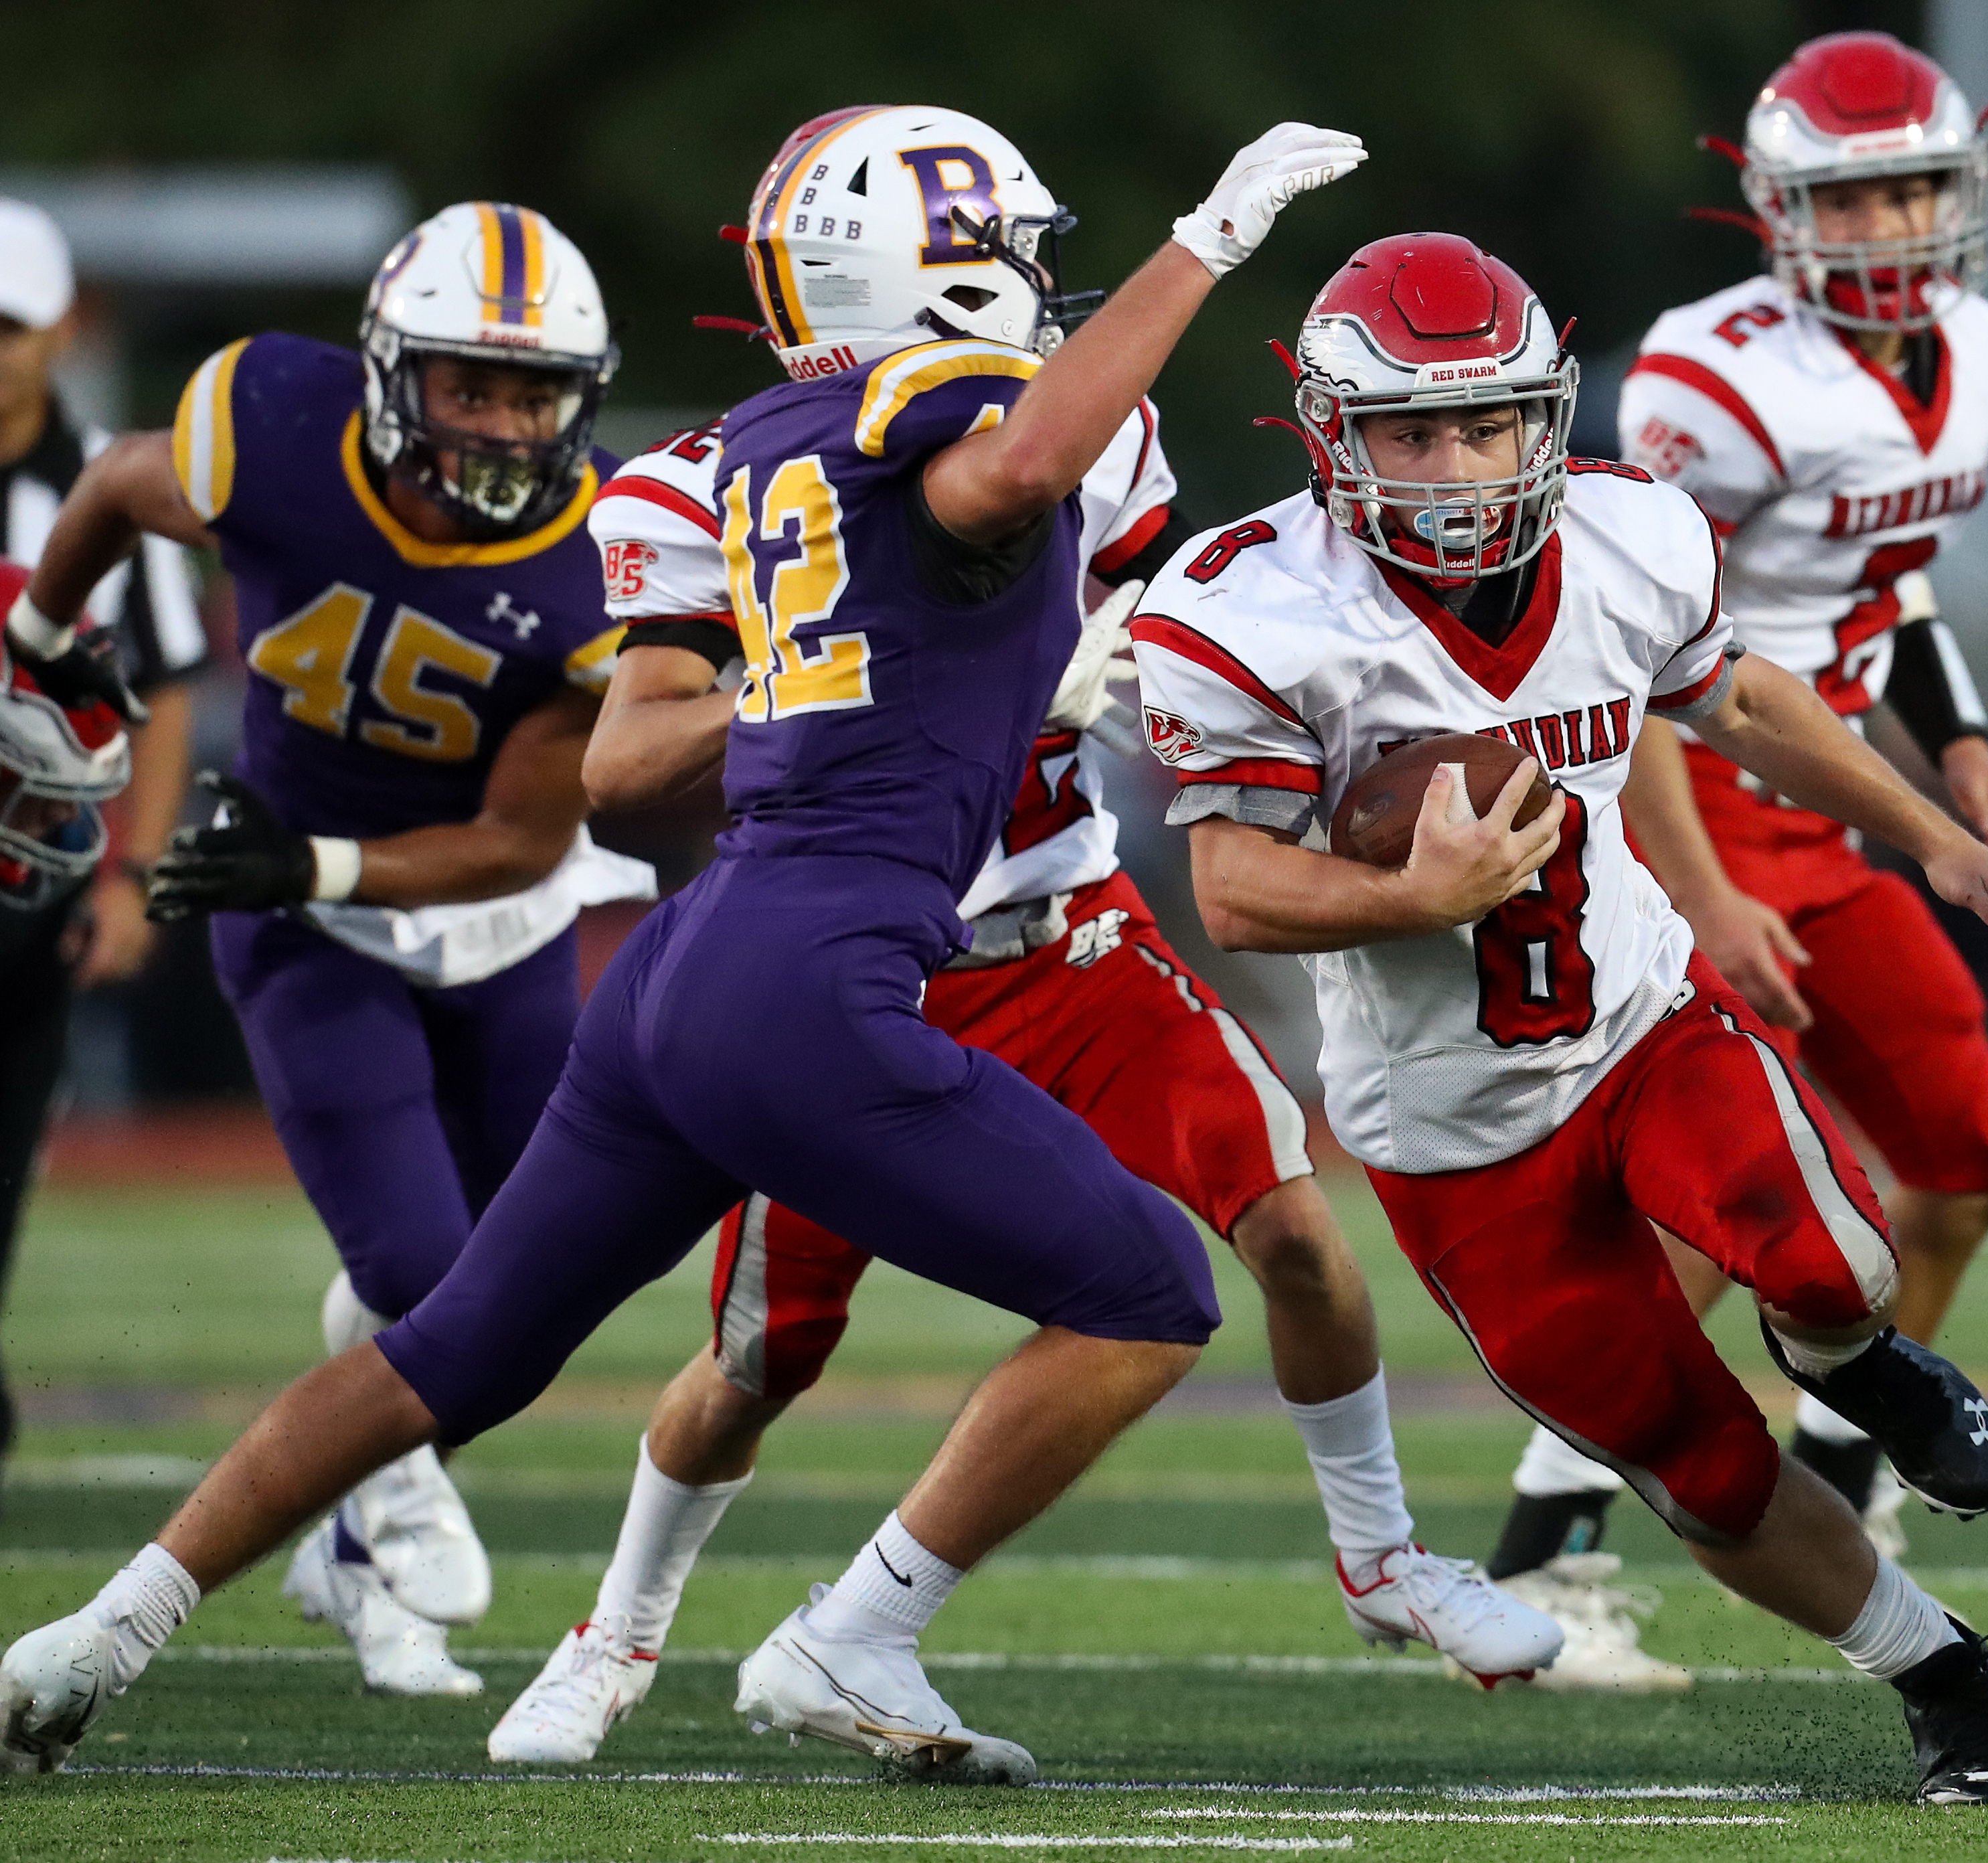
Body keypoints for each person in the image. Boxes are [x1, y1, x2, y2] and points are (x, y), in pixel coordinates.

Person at [0, 108, 1364, 1785]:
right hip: (819, 968)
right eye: (1009, 252)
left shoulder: (778, 435)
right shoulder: (962, 412)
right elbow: (1014, 468)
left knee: (458, 1353)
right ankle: (850, 1636)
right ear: (928, 279)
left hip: (683, 963)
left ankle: (102, 1628)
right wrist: (1208, 241)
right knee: (1150, 1297)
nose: (1039, 284)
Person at [486, 376, 1554, 1762]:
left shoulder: (1079, 451)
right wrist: (890, 674)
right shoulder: (734, 491)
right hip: (855, 980)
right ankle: (613, 1642)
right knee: (761, 1353)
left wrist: (1153, 682)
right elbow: (636, 763)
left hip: (1068, 937)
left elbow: (1179, 654)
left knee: (1291, 1221)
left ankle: (1382, 1557)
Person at [1133, 230, 1988, 1804]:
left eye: (1486, 421)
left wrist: (1932, 831)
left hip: (1641, 1027)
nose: (1453, 464)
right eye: (1411, 430)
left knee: (1833, 1256)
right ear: (1328, 433)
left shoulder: (1631, 534)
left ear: (1542, 417)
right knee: (1699, 1470)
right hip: (1446, 1130)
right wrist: (1408, 901)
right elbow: (1230, 891)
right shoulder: (1252, 606)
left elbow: (1748, 701)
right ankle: (1940, 1672)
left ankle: (1857, 1360)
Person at [8, 201, 651, 1697]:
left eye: (533, 391)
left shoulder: (597, 559)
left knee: (518, 1295)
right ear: (386, 374)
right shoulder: (273, 432)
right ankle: (371, 1502)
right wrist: (36, 641)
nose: (502, 421)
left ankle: (354, 1520)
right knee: (428, 1271)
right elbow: (109, 484)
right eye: (468, 385)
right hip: (298, 915)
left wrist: (314, 854)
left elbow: (524, 837)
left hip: (491, 911)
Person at [1485, 29, 1988, 1583]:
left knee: (1969, 1157)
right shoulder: (1712, 382)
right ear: (1781, 211)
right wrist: (1702, 891)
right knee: (1720, 1207)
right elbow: (1645, 640)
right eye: (1853, 200)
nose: (1888, 230)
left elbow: (1889, 568)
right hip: (1703, 801)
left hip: (1834, 807)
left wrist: (1959, 742)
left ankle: (1845, 1455)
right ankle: (1550, 1546)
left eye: (1914, 192)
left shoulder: (1984, 364)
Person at [0, 201, 207, 1493]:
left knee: (7, 1151)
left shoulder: (113, 481)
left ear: (61, 330)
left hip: (40, 887)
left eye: (8, 326)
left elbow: (173, 677)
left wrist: (137, 870)